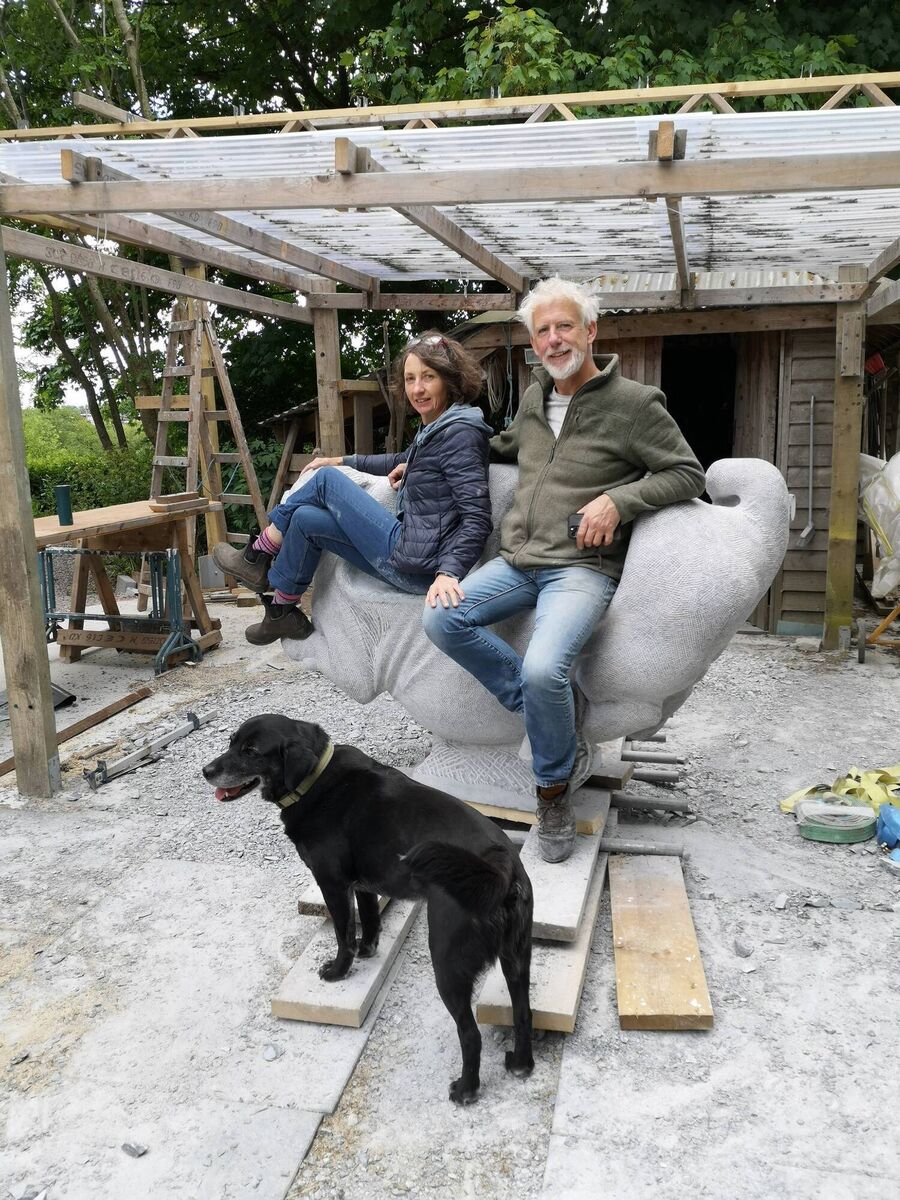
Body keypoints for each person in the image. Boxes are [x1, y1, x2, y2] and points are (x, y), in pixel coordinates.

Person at [423, 277, 705, 864]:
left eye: (564, 327)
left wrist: (618, 502)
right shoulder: (532, 400)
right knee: (441, 620)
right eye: (542, 330)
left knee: (544, 666)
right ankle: (557, 717)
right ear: (533, 340)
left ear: (591, 331)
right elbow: (499, 447)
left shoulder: (634, 404)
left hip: (581, 569)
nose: (554, 340)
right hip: (519, 561)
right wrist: (412, 462)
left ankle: (552, 793)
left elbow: (687, 473)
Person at [214, 332, 493, 646]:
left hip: (421, 565)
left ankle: (257, 555)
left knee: (326, 481)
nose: (417, 388)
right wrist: (341, 458)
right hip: (415, 552)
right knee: (306, 518)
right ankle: (283, 611)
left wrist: (448, 573)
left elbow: (477, 518)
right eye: (410, 378)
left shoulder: (459, 432)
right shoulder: (438, 426)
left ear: (449, 379)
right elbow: (404, 458)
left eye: (428, 377)